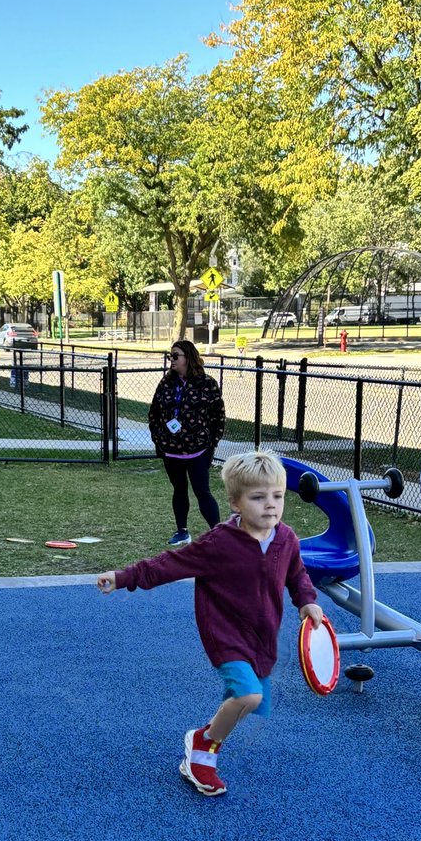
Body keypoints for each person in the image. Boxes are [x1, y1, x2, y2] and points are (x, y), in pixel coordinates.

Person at [97, 450, 322, 796]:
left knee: (246, 701)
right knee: (248, 695)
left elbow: (296, 574)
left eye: (277, 496)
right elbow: (169, 565)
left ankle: (205, 740)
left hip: (262, 635)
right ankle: (204, 746)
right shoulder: (219, 543)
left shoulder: (286, 538)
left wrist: (307, 600)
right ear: (235, 503)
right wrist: (123, 577)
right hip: (225, 633)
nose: (270, 505)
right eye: (258, 497)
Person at [148, 339, 225, 547]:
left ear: (188, 357)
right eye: (170, 356)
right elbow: (154, 413)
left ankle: (219, 534)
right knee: (179, 489)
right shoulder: (166, 383)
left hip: (198, 450)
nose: (171, 360)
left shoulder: (207, 384)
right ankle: (182, 531)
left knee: (202, 492)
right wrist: (159, 438)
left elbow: (218, 416)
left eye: (175, 356)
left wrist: (211, 443)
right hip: (171, 450)